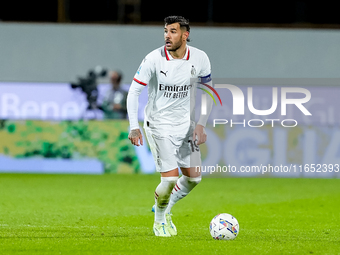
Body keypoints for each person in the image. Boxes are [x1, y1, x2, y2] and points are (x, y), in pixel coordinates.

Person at [127, 16, 213, 237]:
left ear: (185, 34)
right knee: (170, 178)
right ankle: (159, 221)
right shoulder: (153, 59)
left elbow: (209, 93)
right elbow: (134, 91)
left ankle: (165, 206)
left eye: (173, 31)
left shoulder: (200, 58)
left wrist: (201, 125)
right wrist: (133, 126)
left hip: (185, 126)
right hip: (159, 125)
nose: (167, 35)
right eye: (166, 31)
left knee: (194, 178)